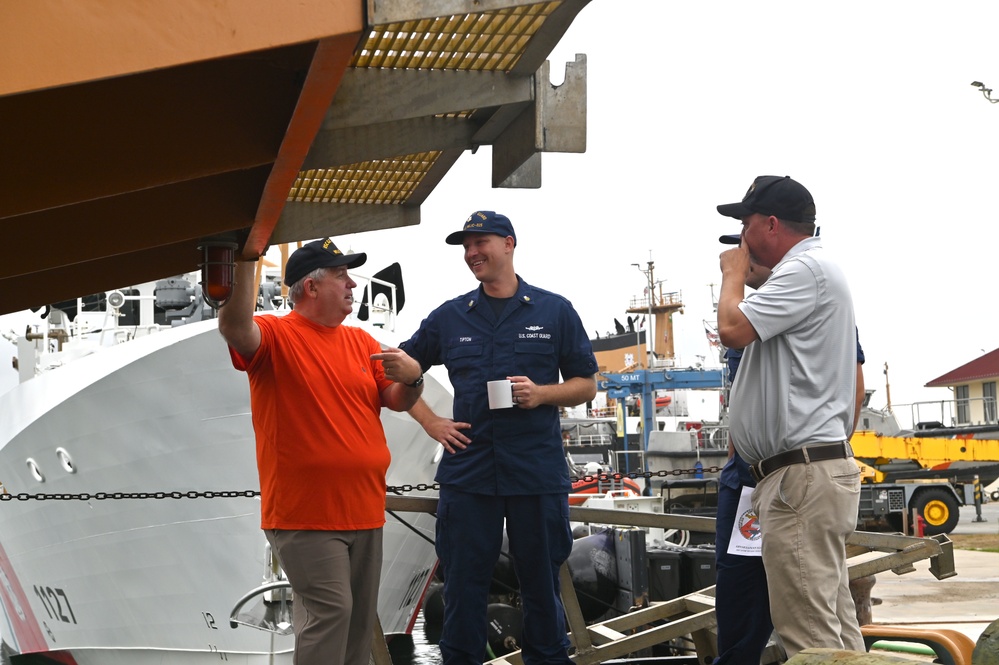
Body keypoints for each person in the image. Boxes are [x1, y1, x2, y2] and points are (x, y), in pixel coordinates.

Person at [399, 211, 598, 665]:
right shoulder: (449, 317)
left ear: (509, 244)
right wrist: (430, 421)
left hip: (535, 474)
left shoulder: (555, 310)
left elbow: (587, 383)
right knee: (464, 587)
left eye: (480, 243)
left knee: (542, 586)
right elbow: (396, 374)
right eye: (465, 247)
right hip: (469, 474)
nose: (471, 254)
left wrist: (542, 393)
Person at [217, 238, 425, 665]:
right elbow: (236, 329)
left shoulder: (361, 342)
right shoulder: (276, 336)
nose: (352, 284)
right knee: (332, 612)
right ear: (310, 288)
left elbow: (396, 398)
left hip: (364, 510)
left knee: (357, 621)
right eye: (341, 275)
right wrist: (245, 259)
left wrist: (414, 378)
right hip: (306, 515)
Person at [716, 176, 865, 658]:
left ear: (772, 223)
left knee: (809, 636)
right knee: (833, 626)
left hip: (800, 474)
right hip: (806, 470)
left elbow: (732, 329)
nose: (741, 236)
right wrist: (757, 280)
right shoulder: (808, 272)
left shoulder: (806, 271)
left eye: (746, 223)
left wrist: (732, 274)